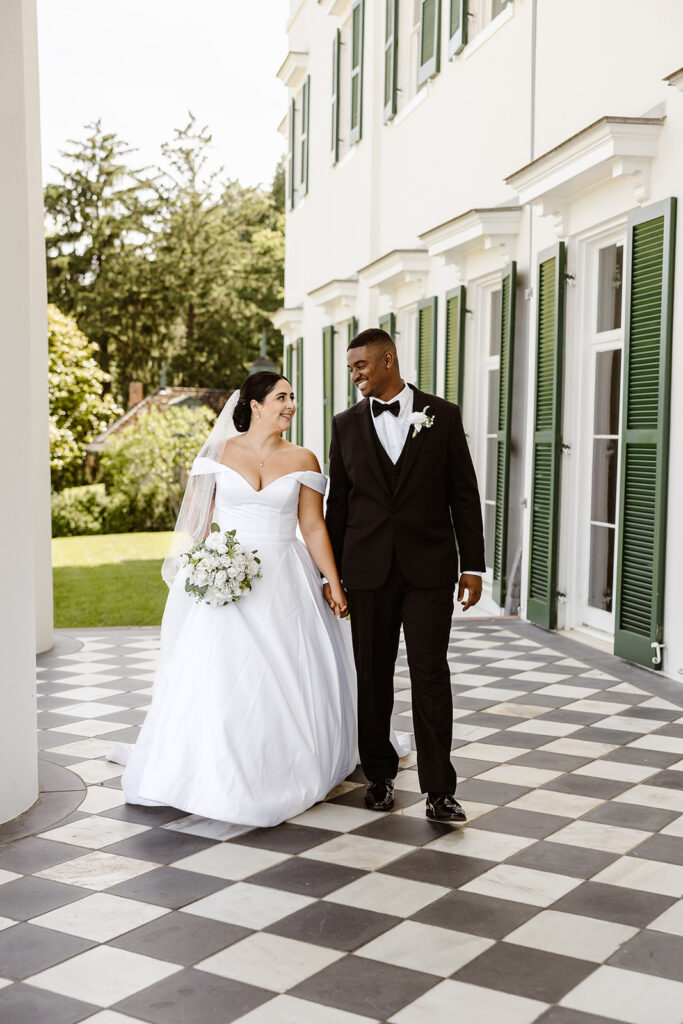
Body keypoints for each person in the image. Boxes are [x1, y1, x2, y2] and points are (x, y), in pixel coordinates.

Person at [109, 371, 378, 827]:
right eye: (281, 397)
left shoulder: (303, 458)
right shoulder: (217, 454)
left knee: (287, 672)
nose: (291, 405)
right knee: (220, 673)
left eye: (293, 397)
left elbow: (312, 527)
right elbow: (197, 524)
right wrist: (203, 564)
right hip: (223, 577)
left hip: (285, 580)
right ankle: (213, 765)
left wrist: (332, 581)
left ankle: (282, 761)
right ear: (254, 405)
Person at [324, 328, 486, 823]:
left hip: (429, 571)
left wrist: (472, 564)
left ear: (388, 360)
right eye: (352, 368)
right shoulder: (345, 425)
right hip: (366, 571)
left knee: (430, 675)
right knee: (371, 677)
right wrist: (330, 576)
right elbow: (339, 506)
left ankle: (440, 790)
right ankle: (379, 776)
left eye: (361, 366)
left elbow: (464, 493)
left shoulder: (443, 415)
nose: (354, 376)